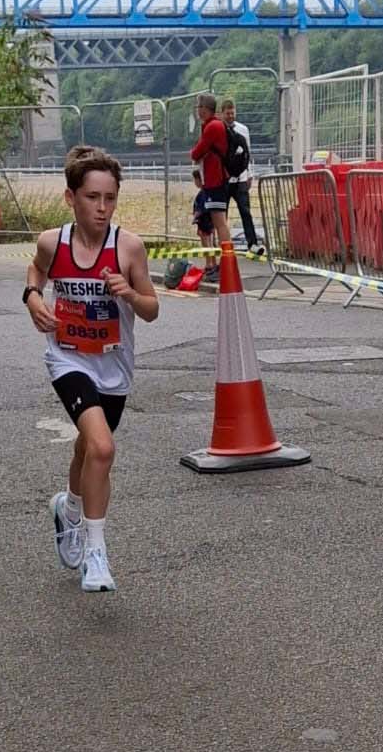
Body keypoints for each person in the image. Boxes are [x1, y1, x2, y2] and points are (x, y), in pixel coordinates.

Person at [23, 146, 159, 593]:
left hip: (114, 364)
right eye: (92, 197)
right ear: (70, 198)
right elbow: (37, 270)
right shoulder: (53, 242)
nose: (101, 208)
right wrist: (32, 299)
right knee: (102, 449)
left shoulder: (129, 248)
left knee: (87, 448)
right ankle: (96, 553)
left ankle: (69, 507)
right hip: (68, 357)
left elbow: (152, 308)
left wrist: (129, 295)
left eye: (110, 198)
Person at [190, 93, 230, 277]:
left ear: (205, 109)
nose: (197, 111)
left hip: (215, 181)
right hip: (212, 181)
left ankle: (226, 261)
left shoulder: (213, 126)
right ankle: (215, 262)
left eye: (199, 108)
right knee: (209, 222)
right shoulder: (212, 125)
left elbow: (197, 152)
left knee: (219, 222)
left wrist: (196, 153)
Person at [220, 98, 261, 253]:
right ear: (222, 114)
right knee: (223, 213)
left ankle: (252, 243)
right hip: (225, 179)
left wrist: (250, 174)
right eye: (227, 113)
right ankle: (224, 244)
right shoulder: (220, 130)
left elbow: (247, 153)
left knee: (245, 210)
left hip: (241, 177)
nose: (230, 116)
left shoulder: (243, 130)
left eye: (232, 113)